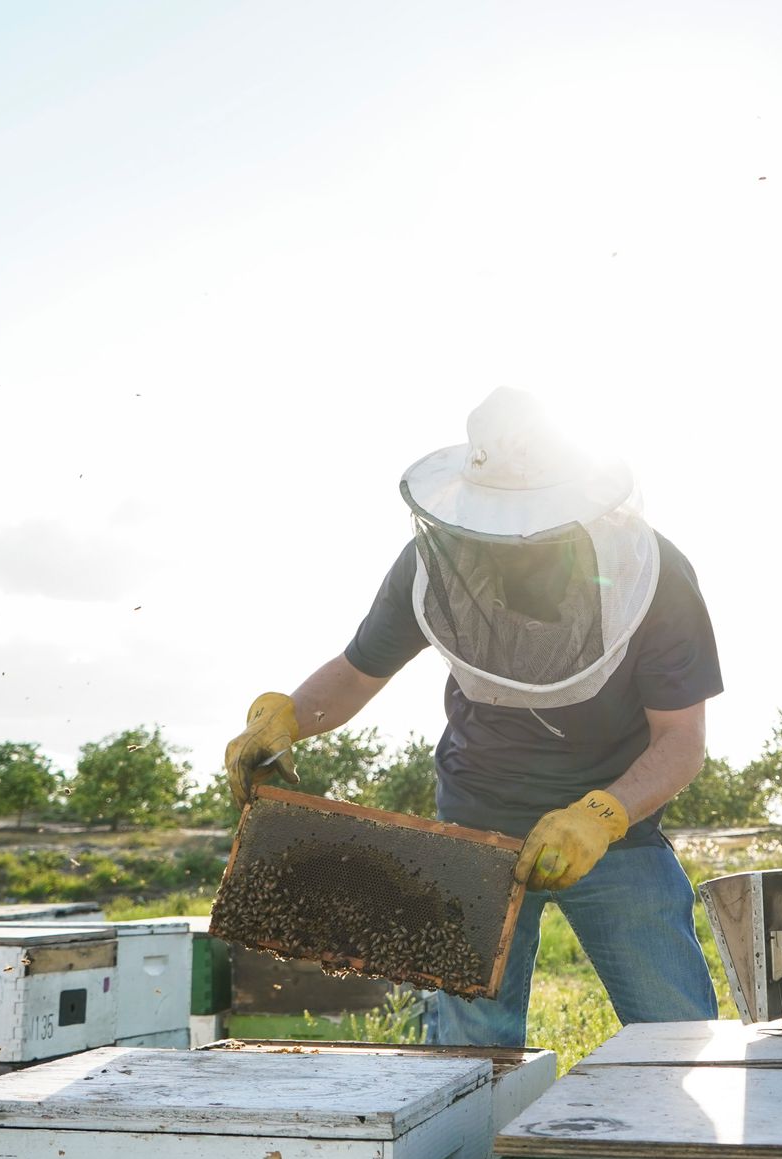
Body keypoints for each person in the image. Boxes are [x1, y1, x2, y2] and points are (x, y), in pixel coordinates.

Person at [225, 386, 721, 1046]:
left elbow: (681, 740)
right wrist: (286, 715)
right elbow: (353, 673)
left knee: (678, 1037)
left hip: (614, 835)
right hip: (475, 824)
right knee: (468, 1056)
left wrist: (599, 816)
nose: (515, 541)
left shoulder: (651, 573)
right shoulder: (431, 568)